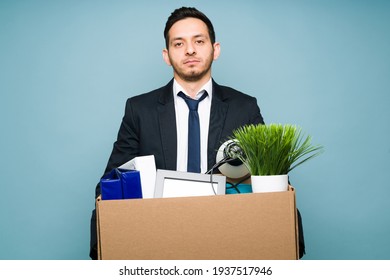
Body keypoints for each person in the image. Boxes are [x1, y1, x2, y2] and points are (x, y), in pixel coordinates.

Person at [90, 7, 303, 259]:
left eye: (199, 41)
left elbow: (271, 179)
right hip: (159, 237)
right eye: (178, 43)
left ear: (216, 49)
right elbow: (109, 183)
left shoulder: (244, 107)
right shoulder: (139, 109)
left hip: (228, 235)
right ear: (166, 55)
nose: (190, 50)